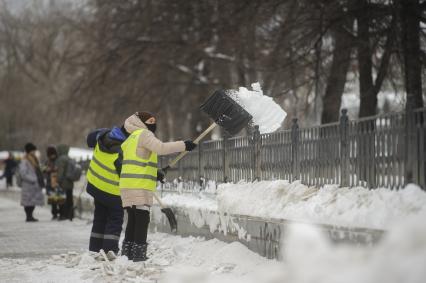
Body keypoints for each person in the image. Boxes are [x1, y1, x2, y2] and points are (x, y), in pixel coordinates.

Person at [119, 112, 196, 262]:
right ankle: (139, 255)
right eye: (150, 121)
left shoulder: (132, 138)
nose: (153, 124)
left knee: (134, 220)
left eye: (154, 120)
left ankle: (127, 253)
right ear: (141, 122)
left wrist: (155, 172)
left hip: (128, 185)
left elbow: (138, 163)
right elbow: (160, 148)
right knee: (142, 219)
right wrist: (183, 145)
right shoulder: (144, 134)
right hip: (139, 185)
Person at [85, 124, 129, 256]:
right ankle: (110, 249)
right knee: (115, 219)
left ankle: (95, 248)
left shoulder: (102, 135)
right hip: (112, 193)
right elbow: (125, 174)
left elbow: (89, 140)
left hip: (96, 187)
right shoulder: (121, 151)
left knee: (99, 217)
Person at [18, 143, 45, 222]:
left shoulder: (35, 159)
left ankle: (31, 216)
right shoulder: (25, 160)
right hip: (28, 185)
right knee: (28, 202)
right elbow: (23, 173)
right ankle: (28, 216)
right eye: (33, 150)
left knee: (32, 202)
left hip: (34, 185)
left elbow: (37, 169)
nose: (34, 152)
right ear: (29, 151)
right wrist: (33, 179)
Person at [56, 144, 75, 221]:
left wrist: (58, 181)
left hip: (63, 183)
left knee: (62, 199)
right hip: (70, 183)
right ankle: (70, 215)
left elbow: (60, 172)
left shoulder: (61, 159)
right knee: (69, 199)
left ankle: (63, 215)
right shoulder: (69, 158)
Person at [43, 146, 61, 219]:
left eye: (53, 154)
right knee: (52, 200)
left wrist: (55, 170)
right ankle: (54, 213)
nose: (52, 156)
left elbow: (60, 169)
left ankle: (60, 212)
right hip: (49, 182)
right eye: (51, 154)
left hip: (57, 182)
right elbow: (43, 169)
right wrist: (47, 170)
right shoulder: (47, 161)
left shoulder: (58, 160)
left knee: (60, 199)